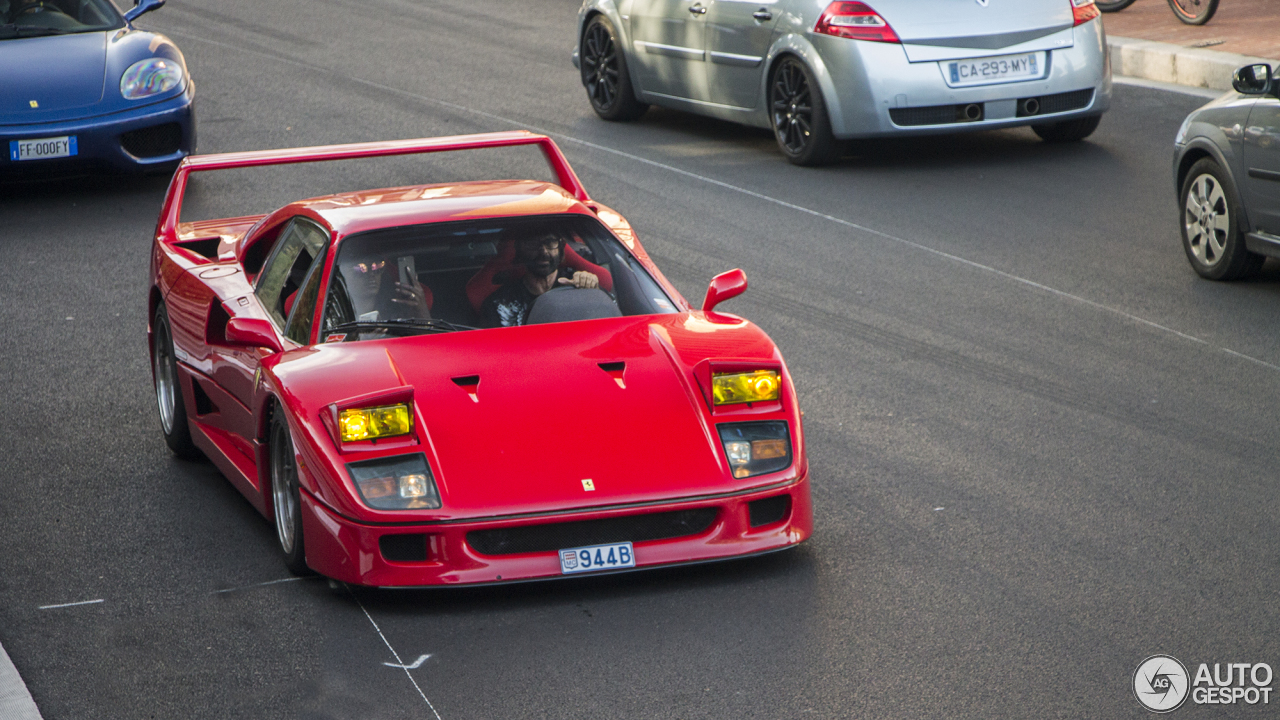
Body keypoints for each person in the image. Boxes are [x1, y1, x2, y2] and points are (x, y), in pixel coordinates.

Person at [481, 230, 599, 327]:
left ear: (561, 247)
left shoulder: (579, 285)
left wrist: (592, 289)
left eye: (550, 242)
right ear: (519, 250)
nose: (543, 251)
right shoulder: (499, 303)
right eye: (533, 243)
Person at [344, 257, 432, 323]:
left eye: (377, 268)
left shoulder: (396, 316)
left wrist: (422, 308)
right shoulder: (338, 318)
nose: (371, 274)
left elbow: (426, 341)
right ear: (343, 276)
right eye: (361, 269)